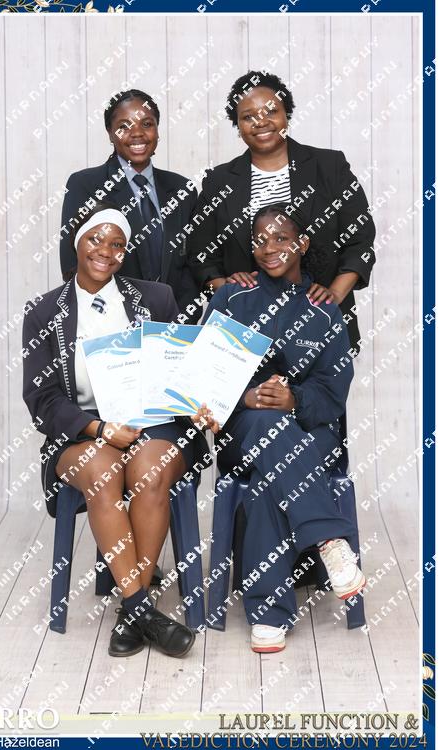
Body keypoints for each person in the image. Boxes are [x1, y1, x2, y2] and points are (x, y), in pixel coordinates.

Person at [23, 202, 217, 659]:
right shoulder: (44, 311)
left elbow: (178, 370)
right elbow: (41, 398)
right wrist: (98, 428)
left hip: (153, 423)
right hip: (83, 431)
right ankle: (141, 609)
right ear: (78, 243)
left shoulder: (156, 298)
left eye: (117, 244)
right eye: (96, 239)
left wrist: (200, 401)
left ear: (125, 252)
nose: (105, 251)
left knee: (150, 470)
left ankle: (133, 610)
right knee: (103, 471)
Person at [203, 202, 366, 653]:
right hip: (244, 431)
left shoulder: (323, 308)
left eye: (281, 238)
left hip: (312, 433)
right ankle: (329, 538)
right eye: (260, 240)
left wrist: (295, 399)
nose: (269, 247)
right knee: (267, 424)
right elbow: (204, 375)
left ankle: (269, 614)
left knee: (266, 483)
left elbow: (334, 392)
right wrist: (246, 397)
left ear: (302, 244)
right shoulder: (231, 298)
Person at [187, 70, 376, 354]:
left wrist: (334, 296)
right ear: (237, 125)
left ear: (286, 113)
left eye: (271, 111)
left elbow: (360, 240)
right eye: (248, 116)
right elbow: (201, 255)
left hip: (320, 328)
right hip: (242, 335)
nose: (261, 122)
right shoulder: (219, 181)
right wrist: (231, 296)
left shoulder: (329, 167)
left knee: (321, 385)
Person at [59, 89, 201, 321]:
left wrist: (181, 322)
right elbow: (72, 264)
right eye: (124, 126)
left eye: (147, 124)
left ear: (157, 129)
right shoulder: (85, 185)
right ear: (110, 132)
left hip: (173, 325)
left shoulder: (182, 189)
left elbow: (191, 264)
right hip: (112, 325)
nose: (137, 133)